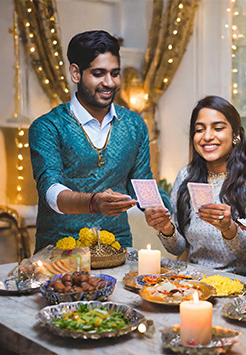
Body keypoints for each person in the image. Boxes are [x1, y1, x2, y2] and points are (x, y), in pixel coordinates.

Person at [29, 30, 169, 251]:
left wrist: (161, 208)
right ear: (76, 73)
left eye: (115, 73)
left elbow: (141, 184)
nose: (109, 83)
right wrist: (94, 203)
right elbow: (51, 192)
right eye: (98, 73)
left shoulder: (134, 124)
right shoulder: (48, 126)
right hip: (59, 253)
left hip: (117, 249)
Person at [144, 96, 246, 280]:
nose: (207, 136)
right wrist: (166, 228)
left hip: (242, 285)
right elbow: (178, 248)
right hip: (195, 282)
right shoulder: (185, 177)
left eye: (218, 128)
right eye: (199, 130)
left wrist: (229, 228)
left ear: (235, 134)